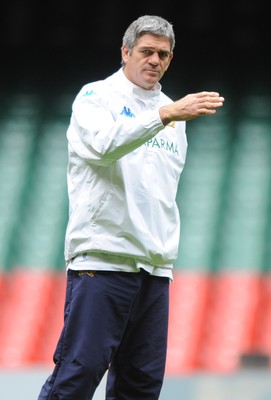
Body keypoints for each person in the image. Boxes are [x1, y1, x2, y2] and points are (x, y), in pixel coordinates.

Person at [37, 15, 224, 400]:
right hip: (104, 260)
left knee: (141, 384)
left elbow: (161, 190)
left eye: (163, 54)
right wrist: (163, 116)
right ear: (125, 52)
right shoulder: (95, 97)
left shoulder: (174, 112)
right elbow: (103, 147)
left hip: (154, 267)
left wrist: (167, 114)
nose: (155, 60)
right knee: (78, 372)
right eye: (146, 51)